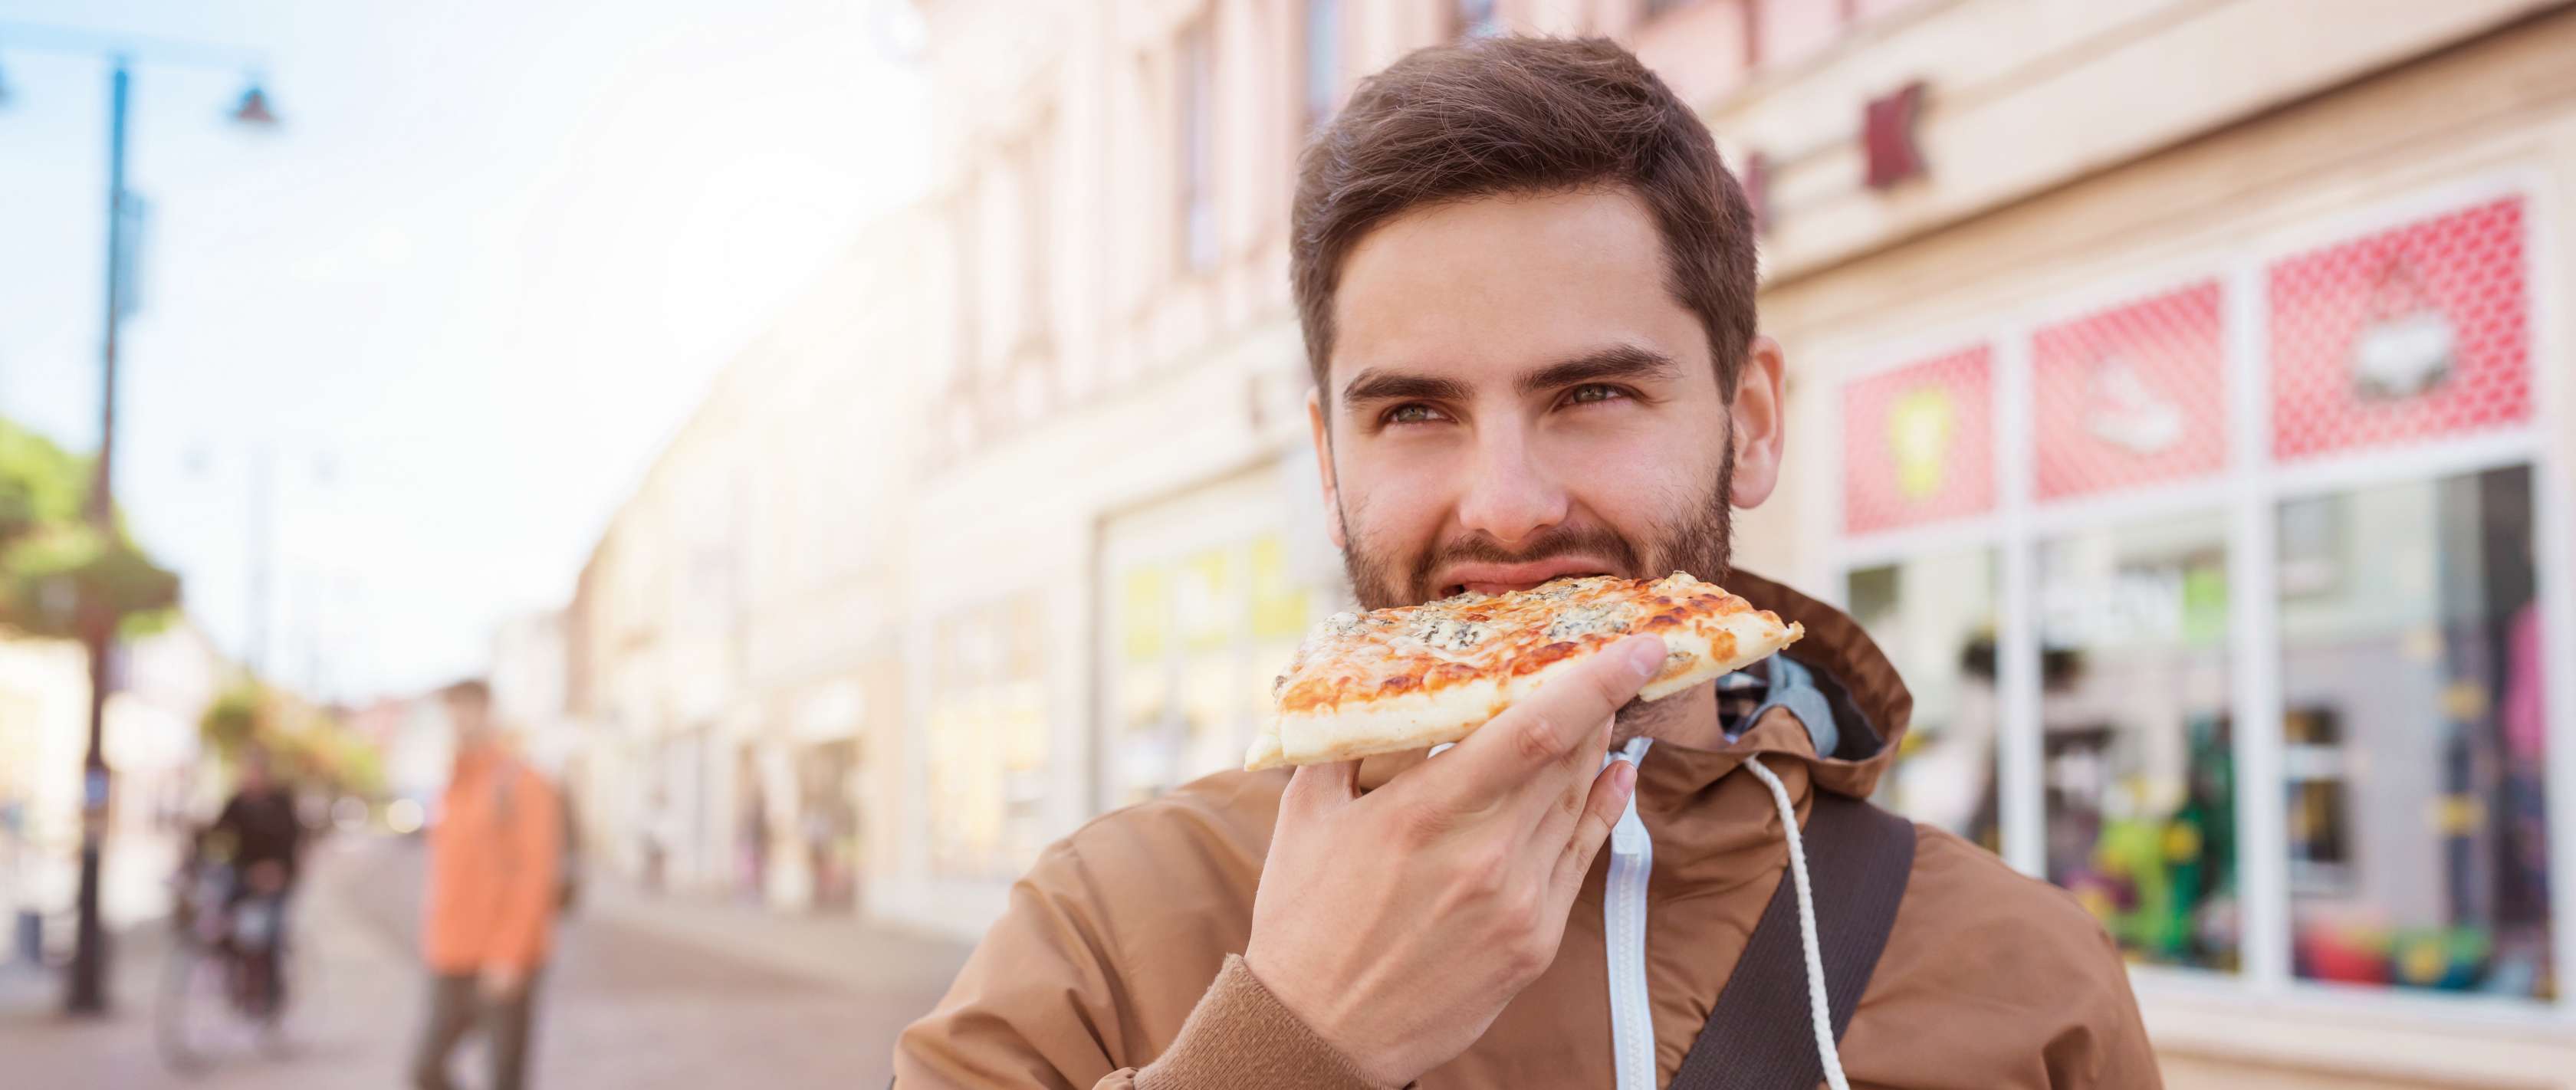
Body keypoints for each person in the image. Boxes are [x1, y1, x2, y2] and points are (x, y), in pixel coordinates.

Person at [895, 35, 2160, 1089]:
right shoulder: (1102, 934)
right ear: (1329, 467)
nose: (1504, 509)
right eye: (1413, 412)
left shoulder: (2027, 978)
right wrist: (1287, 1041)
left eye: (1593, 391)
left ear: (1753, 422)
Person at [412, 679, 563, 1090]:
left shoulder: (523, 783)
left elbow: (536, 875)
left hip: (502, 958)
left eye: (468, 711)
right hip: (451, 955)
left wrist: (510, 954)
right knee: (425, 1070)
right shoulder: (452, 786)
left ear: (489, 713)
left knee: (505, 1078)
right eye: (452, 713)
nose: (460, 723)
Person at [203, 748, 303, 1015]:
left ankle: (270, 994)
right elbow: (216, 832)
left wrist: (277, 870)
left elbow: (293, 843)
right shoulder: (237, 803)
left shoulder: (280, 803)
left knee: (269, 935)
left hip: (276, 879)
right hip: (244, 876)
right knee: (224, 920)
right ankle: (235, 977)